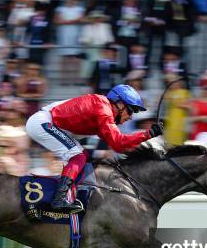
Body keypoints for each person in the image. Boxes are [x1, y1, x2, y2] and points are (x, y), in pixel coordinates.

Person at [25, 84, 162, 213]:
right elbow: (119, 142)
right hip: (43, 122)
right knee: (78, 156)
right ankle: (59, 199)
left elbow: (118, 147)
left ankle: (69, 194)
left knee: (81, 155)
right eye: (131, 110)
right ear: (119, 104)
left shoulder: (103, 110)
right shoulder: (103, 109)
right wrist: (148, 134)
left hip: (47, 123)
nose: (130, 117)